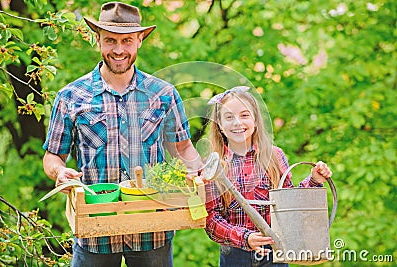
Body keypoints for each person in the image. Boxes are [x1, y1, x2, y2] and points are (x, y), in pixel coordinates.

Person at [42, 2, 202, 267]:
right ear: (98, 40)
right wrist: (59, 172)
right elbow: (52, 156)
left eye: (126, 40)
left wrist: (198, 171)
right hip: (95, 230)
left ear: (140, 40)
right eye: (110, 41)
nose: (118, 50)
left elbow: (183, 149)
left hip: (152, 228)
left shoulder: (163, 94)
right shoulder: (71, 96)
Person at [204, 86, 333, 267]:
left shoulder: (274, 156)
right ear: (219, 124)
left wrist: (314, 181)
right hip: (235, 256)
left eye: (244, 115)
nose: (237, 122)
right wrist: (245, 237)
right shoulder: (214, 165)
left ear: (255, 120)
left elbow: (289, 205)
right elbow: (211, 220)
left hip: (276, 252)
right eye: (229, 117)